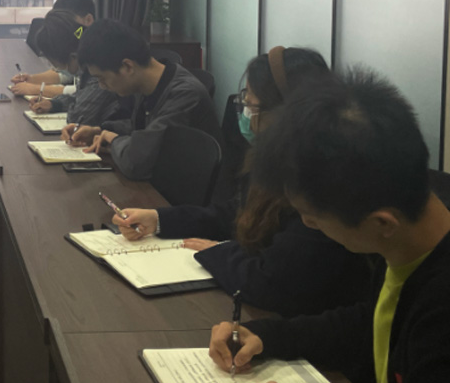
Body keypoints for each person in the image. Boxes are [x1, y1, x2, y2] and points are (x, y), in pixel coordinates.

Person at [206, 70, 450, 383]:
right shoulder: (408, 242)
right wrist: (267, 336)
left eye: (314, 217)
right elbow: (371, 322)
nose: (308, 224)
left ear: (382, 223)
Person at [111, 47, 374, 317]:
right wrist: (159, 219)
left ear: (286, 111)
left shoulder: (318, 181)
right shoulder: (272, 157)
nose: (245, 112)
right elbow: (234, 214)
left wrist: (221, 253)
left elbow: (273, 283)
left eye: (251, 104)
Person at [64, 19, 221, 180]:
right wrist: (98, 131)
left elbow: (135, 163)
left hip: (177, 190)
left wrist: (114, 140)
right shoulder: (148, 84)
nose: (102, 86)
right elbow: (142, 127)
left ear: (127, 67)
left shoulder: (184, 94)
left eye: (102, 78)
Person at [24, 9, 124, 127]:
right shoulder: (87, 67)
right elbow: (81, 97)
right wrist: (54, 104)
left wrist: (73, 106)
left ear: (73, 57)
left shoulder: (98, 73)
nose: (56, 69)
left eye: (57, 65)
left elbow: (78, 117)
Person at [10, 0, 96, 99]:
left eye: (65, 21)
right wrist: (32, 79)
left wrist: (37, 89)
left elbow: (86, 91)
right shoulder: (76, 43)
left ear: (88, 20)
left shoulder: (97, 47)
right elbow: (66, 73)